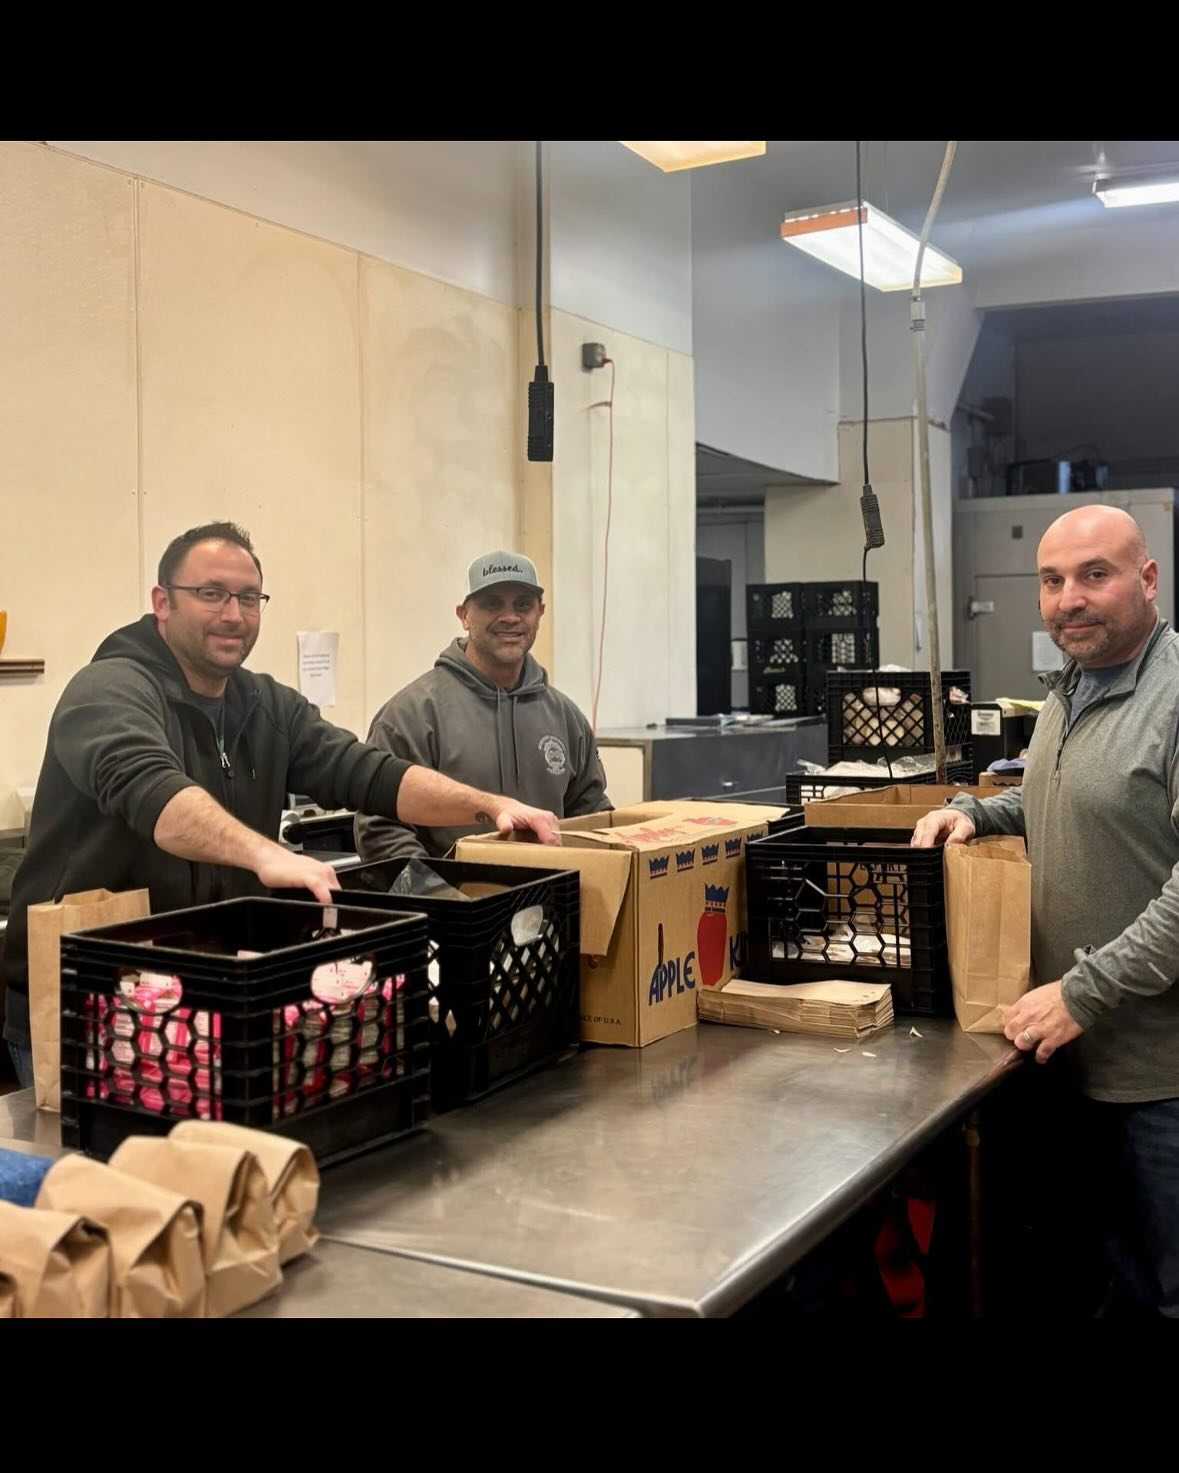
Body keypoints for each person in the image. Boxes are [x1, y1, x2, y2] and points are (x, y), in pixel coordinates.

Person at [1, 523, 560, 1087]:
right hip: (89, 1004)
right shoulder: (108, 690)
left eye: (248, 597)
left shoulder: (264, 703)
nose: (233, 614)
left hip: (209, 995)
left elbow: (370, 773)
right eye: (211, 593)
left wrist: (487, 805)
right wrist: (264, 856)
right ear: (162, 602)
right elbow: (154, 795)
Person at [912, 504, 1179, 1316]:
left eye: (1093, 575)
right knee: (1106, 1280)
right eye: (1052, 580)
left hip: (1160, 1081)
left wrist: (1081, 990)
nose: (1070, 598)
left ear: (1145, 578)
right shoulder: (1069, 688)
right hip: (1073, 1062)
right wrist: (974, 811)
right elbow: (1050, 796)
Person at [356, 549, 610, 863]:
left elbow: (591, 815)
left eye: (523, 604)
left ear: (540, 613)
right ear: (464, 615)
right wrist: (438, 896)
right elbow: (380, 828)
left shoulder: (565, 717)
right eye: (492, 603)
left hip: (552, 905)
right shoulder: (412, 715)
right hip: (454, 907)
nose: (510, 616)